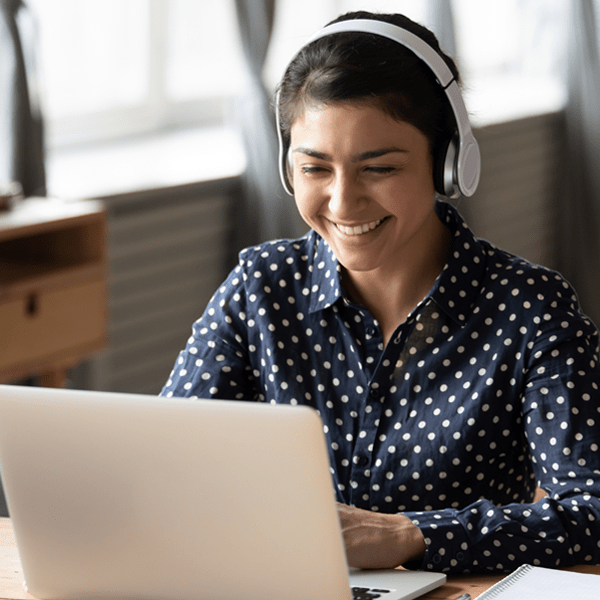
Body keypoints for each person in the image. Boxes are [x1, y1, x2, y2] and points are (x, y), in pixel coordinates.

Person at [161, 11, 600, 574]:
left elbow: (589, 511)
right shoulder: (260, 287)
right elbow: (166, 466)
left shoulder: (530, 309)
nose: (343, 203)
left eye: (379, 168)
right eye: (316, 168)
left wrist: (409, 536)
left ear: (447, 164)